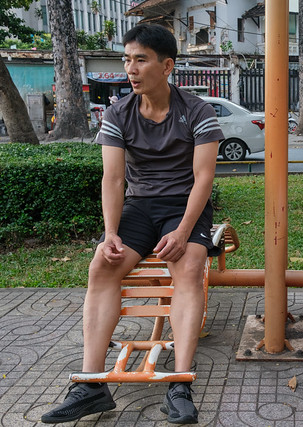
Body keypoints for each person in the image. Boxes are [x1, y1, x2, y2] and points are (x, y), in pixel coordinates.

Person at [41, 24, 223, 425]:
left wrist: (181, 231)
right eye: (127, 59)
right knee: (102, 264)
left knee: (189, 268)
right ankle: (91, 386)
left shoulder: (198, 111)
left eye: (140, 59)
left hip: (185, 206)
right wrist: (110, 234)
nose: (131, 68)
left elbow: (205, 178)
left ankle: (179, 381)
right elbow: (113, 179)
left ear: (167, 65)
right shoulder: (118, 112)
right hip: (140, 207)